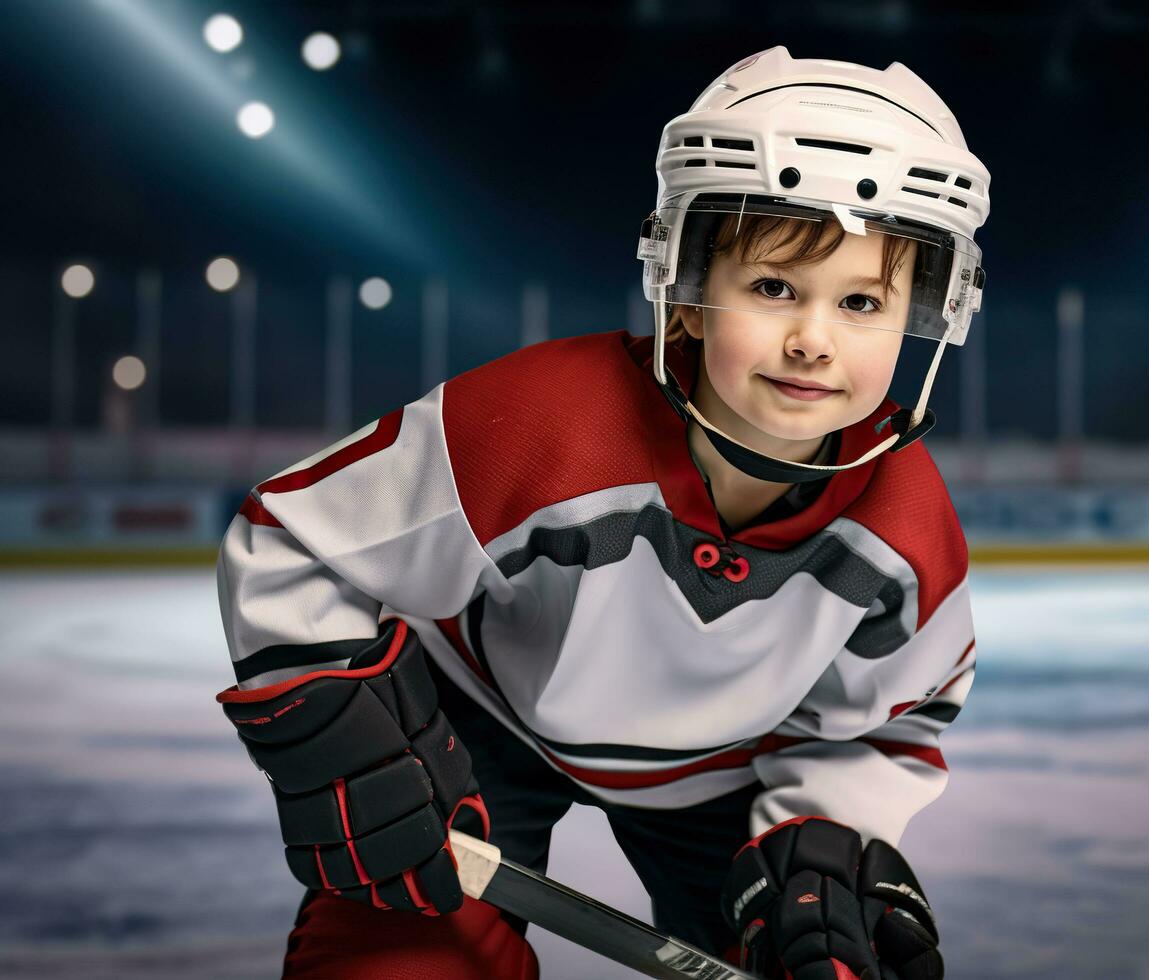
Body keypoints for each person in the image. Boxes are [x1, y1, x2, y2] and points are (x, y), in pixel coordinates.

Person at [215, 45, 990, 980]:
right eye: (773, 287)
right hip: (478, 725)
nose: (812, 340)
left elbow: (889, 719)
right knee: (394, 963)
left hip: (726, 780)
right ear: (691, 291)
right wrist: (337, 735)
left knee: (816, 952)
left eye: (862, 301)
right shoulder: (542, 424)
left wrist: (827, 828)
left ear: (928, 316)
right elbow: (293, 535)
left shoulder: (904, 521)